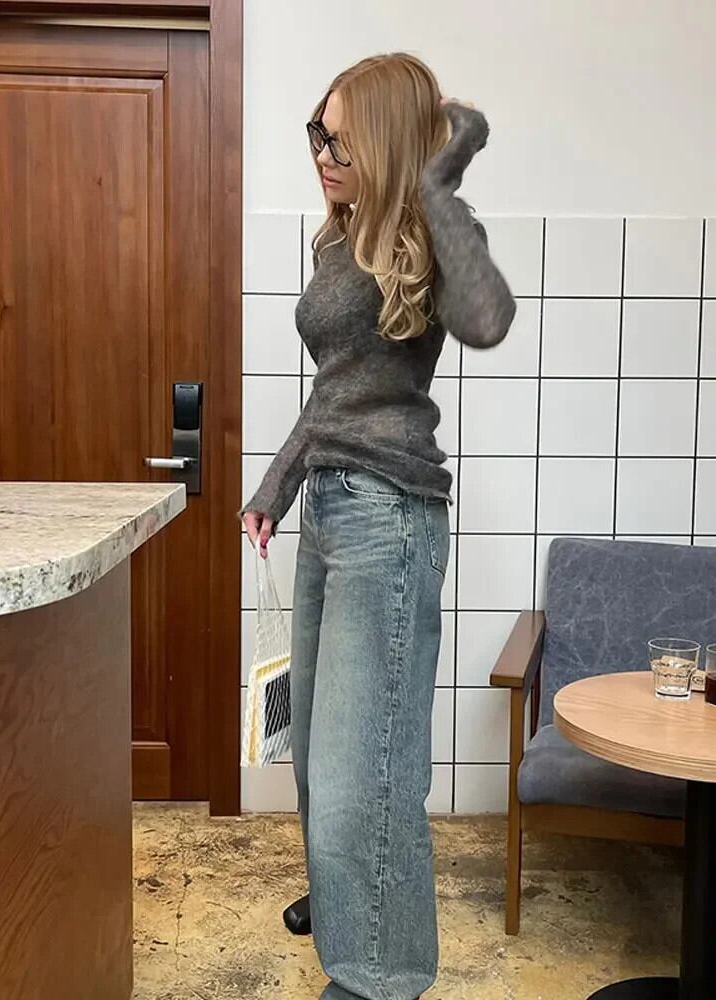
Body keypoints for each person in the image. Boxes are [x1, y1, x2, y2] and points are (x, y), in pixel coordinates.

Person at [240, 52, 515, 1000]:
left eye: (340, 140)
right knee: (318, 759)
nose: (320, 154)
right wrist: (275, 489)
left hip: (389, 519)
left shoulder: (429, 229)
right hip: (329, 506)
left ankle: (379, 977)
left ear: (390, 144)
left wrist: (441, 176)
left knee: (369, 769)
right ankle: (349, 903)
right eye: (316, 134)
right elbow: (334, 396)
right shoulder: (343, 238)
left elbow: (488, 318)